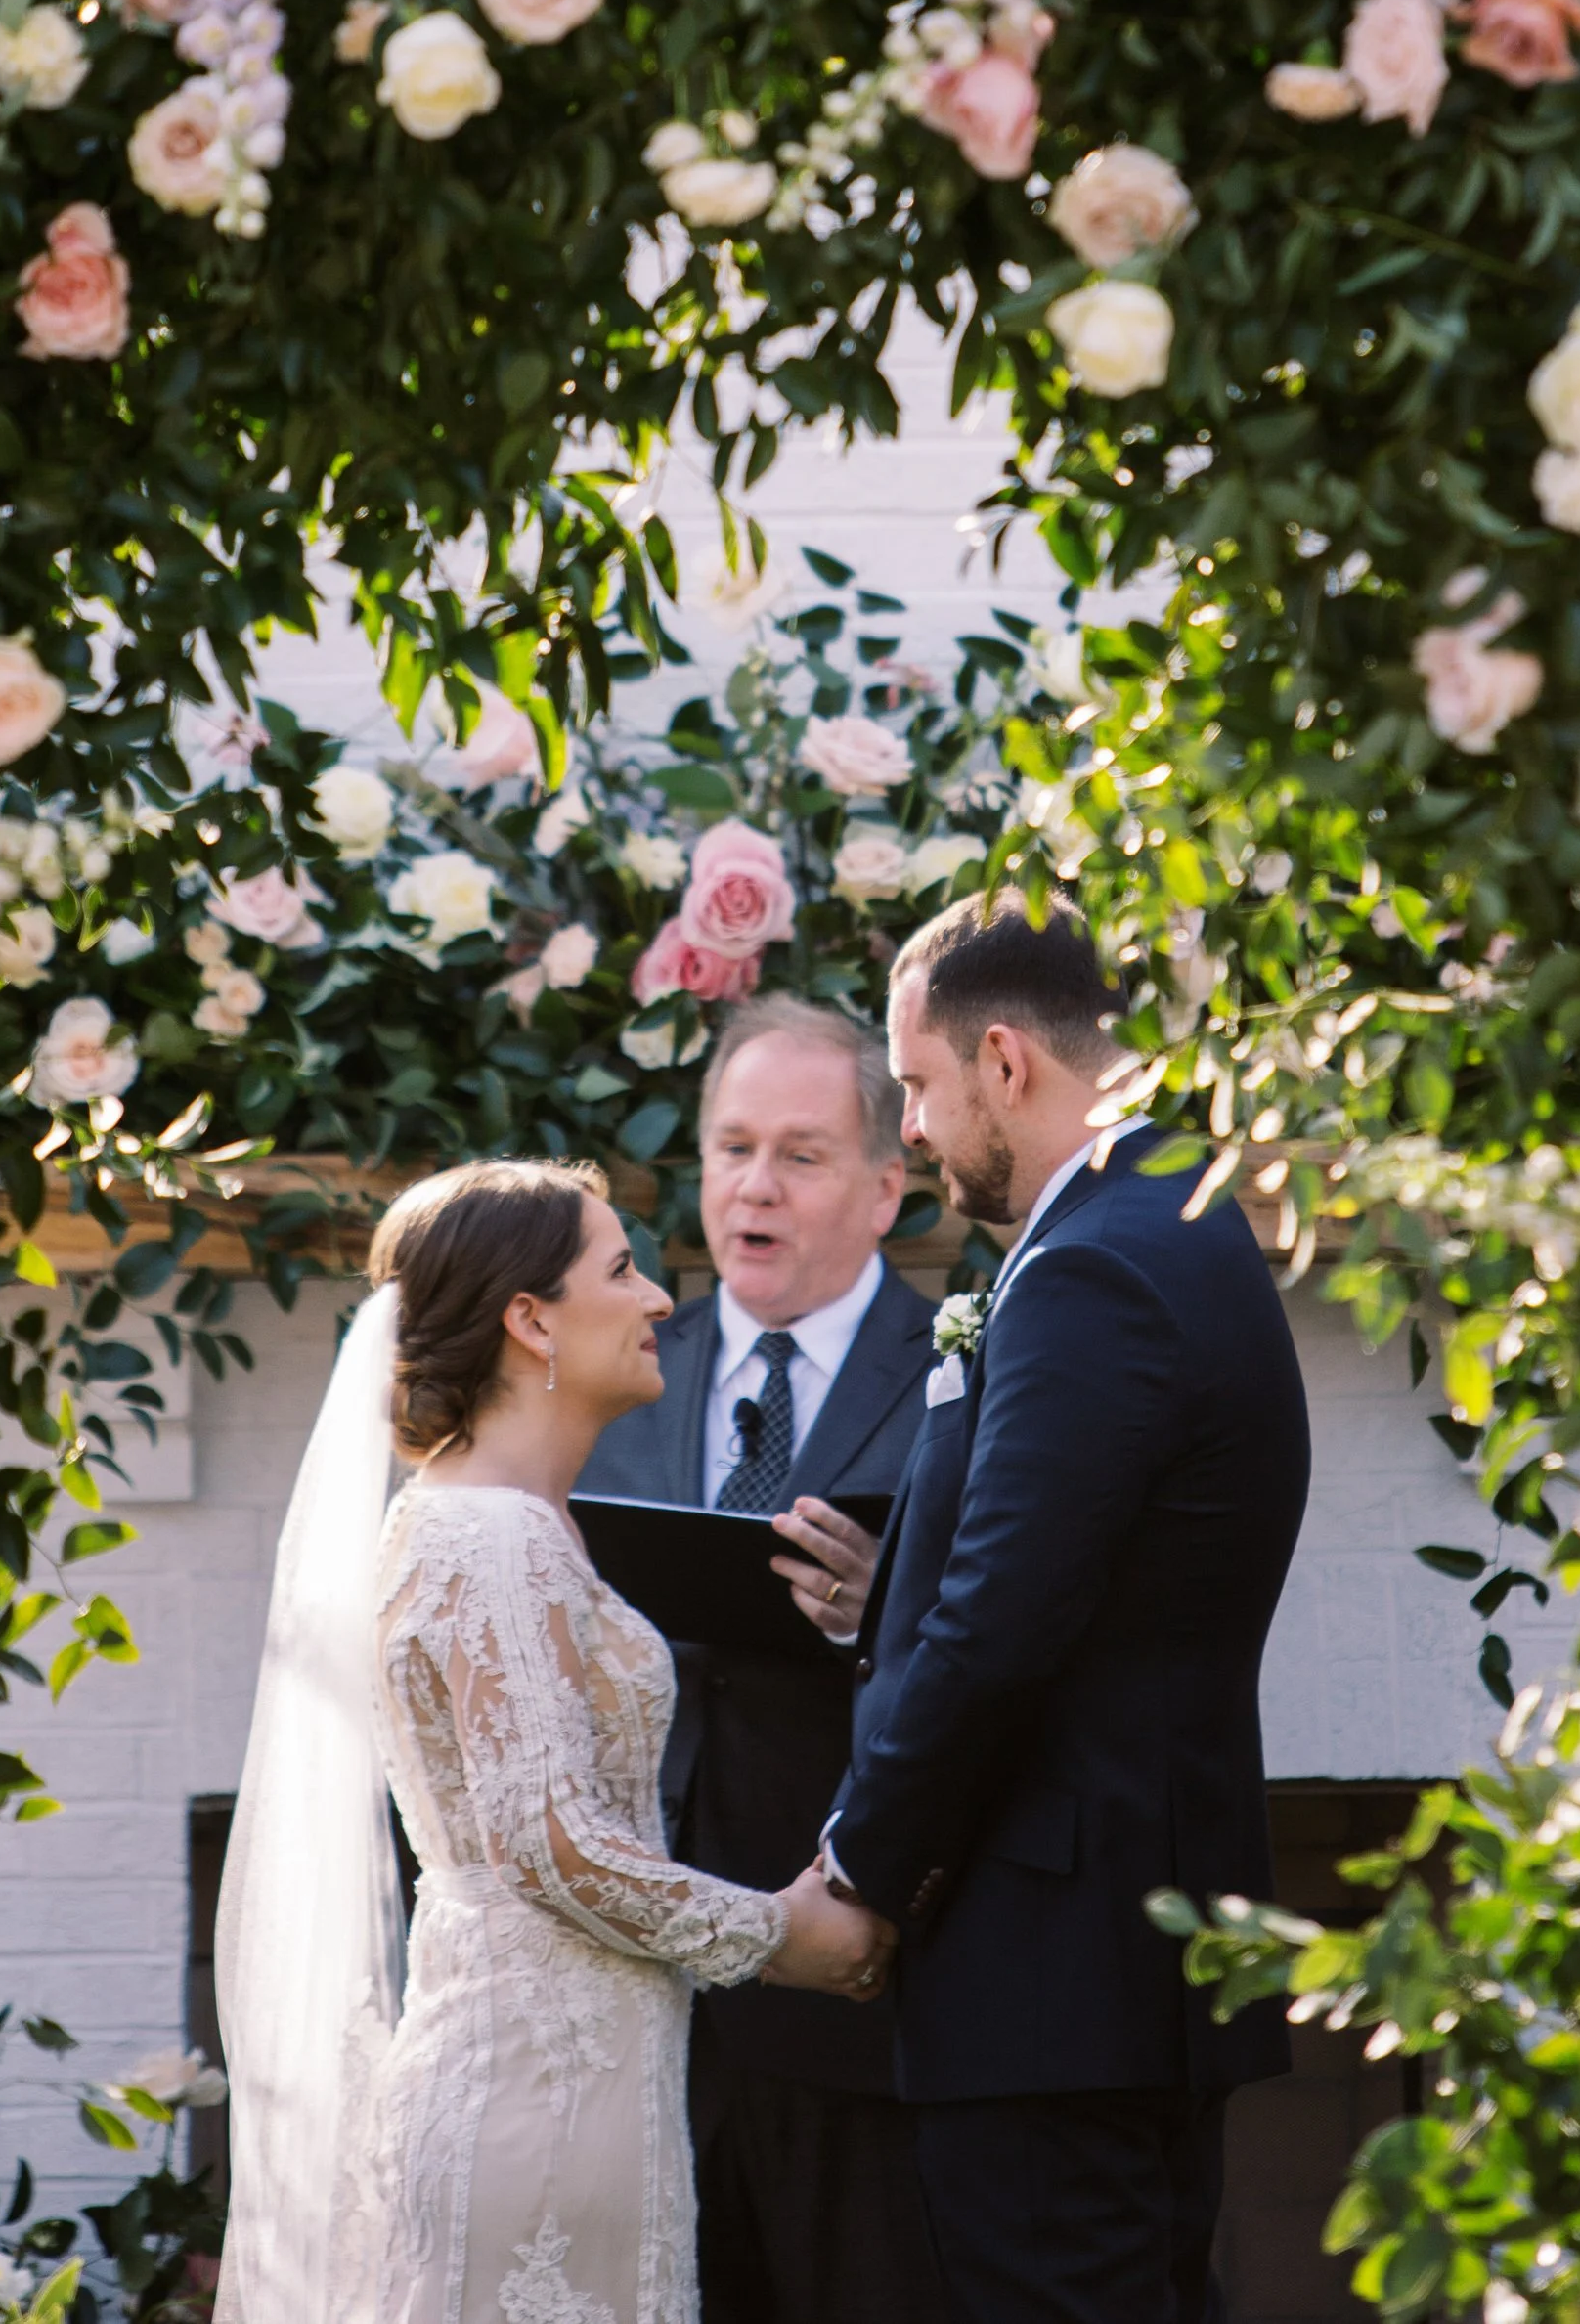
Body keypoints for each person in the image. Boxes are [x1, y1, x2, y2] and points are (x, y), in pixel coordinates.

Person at [214, 1156, 891, 2324]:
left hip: (588, 2085)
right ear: (530, 1321)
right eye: (621, 1270)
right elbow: (556, 1848)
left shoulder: (511, 1527)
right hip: (530, 2102)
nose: (658, 1299)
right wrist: (782, 1934)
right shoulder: (490, 1543)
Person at [824, 899, 1312, 2324]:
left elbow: (1000, 1623)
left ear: (1003, 1059)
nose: (910, 1131)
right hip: (1128, 1956)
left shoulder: (1091, 1262)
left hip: (1051, 1976)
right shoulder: (1174, 1221)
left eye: (916, 1086)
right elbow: (1089, 1576)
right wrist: (885, 1593)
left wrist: (860, 1865)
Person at [580, 996, 948, 2324]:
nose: (755, 1185)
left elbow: (1010, 1650)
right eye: (732, 1146)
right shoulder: (621, 1368)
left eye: (800, 1153)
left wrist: (878, 1614)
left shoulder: (965, 1377)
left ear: (886, 1186)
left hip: (857, 1995)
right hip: (641, 1998)